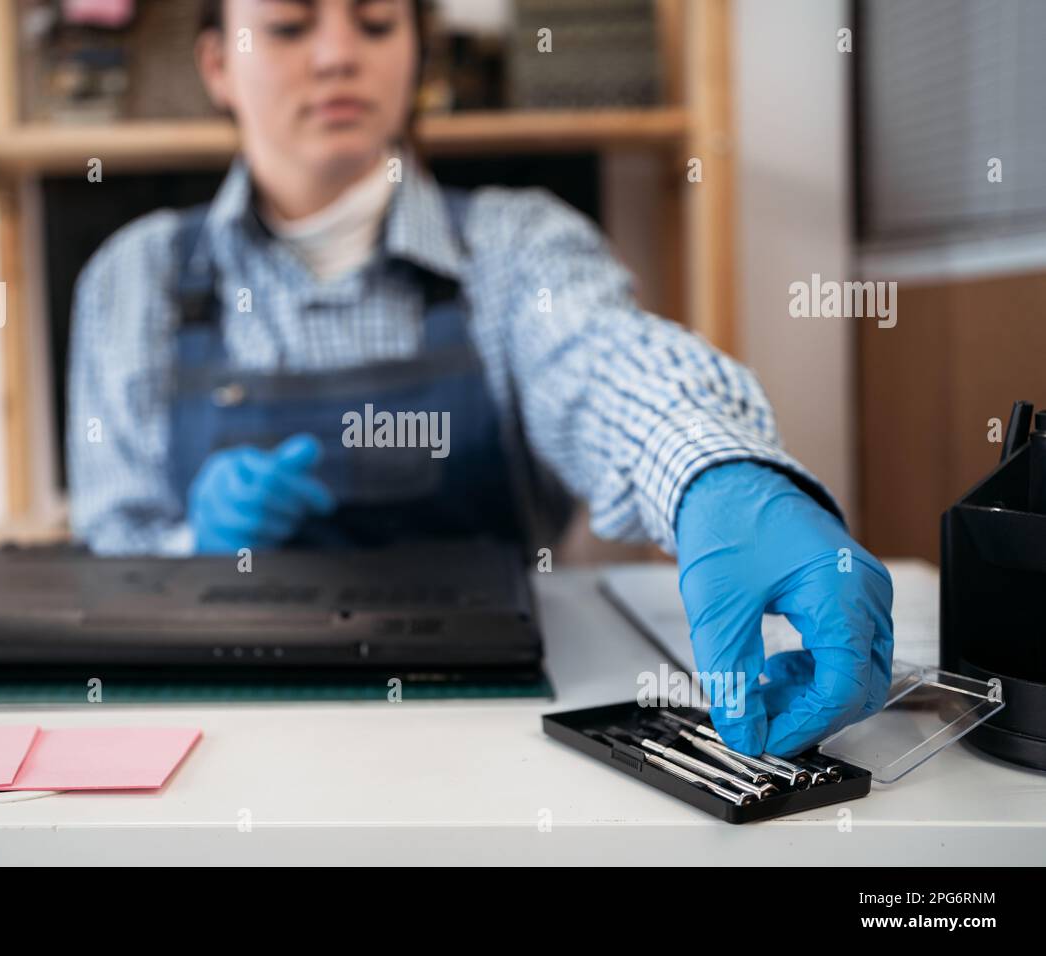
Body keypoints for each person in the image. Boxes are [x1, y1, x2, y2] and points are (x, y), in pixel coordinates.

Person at [66, 0, 893, 757]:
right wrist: (196, 549)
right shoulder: (133, 276)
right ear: (218, 65)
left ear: (417, 52)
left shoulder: (517, 243)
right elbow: (114, 545)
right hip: (222, 732)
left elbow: (599, 358)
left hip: (502, 725)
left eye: (377, 23)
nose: (336, 57)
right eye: (289, 26)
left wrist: (715, 472)